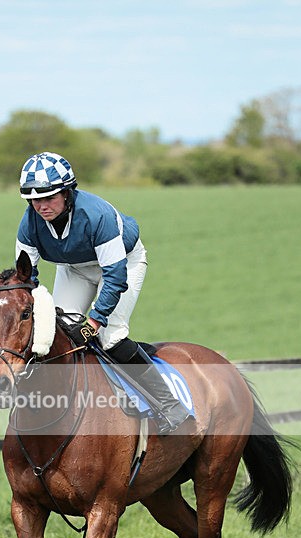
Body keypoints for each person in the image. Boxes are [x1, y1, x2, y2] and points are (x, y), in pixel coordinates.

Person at [15, 151, 190, 434]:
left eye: (49, 198)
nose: (41, 206)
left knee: (110, 337)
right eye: (34, 200)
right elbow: (27, 280)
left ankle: (169, 404)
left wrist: (95, 319)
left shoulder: (97, 216)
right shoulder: (28, 225)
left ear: (67, 193)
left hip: (122, 265)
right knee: (58, 334)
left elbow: (115, 275)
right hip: (74, 268)